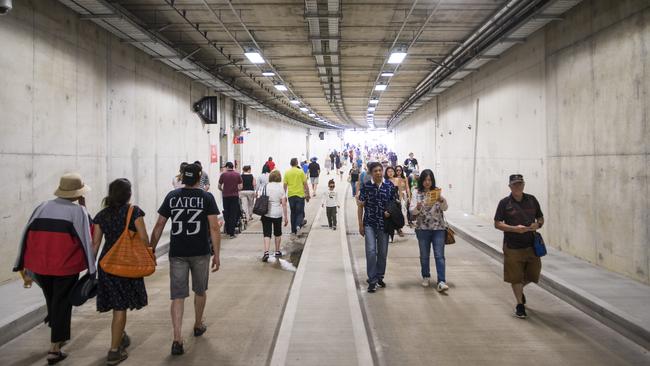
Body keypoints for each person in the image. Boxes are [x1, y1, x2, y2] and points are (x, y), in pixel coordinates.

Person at [13, 173, 95, 365]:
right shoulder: (78, 212)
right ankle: (54, 349)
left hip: (40, 266)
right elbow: (87, 239)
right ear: (77, 193)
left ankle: (57, 332)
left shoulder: (42, 206)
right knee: (62, 304)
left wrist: (21, 263)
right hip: (65, 267)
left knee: (53, 301)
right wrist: (92, 271)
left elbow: (26, 233)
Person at [150, 163, 221, 356]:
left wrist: (151, 250)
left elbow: (159, 225)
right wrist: (217, 254)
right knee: (200, 290)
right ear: (199, 178)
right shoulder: (207, 198)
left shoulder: (172, 197)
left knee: (178, 296)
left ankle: (177, 338)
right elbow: (214, 228)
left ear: (182, 178)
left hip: (178, 253)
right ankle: (198, 325)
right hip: (200, 252)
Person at [92, 179, 150, 365]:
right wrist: (148, 254)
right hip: (126, 264)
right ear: (128, 194)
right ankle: (114, 351)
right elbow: (143, 238)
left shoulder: (101, 215)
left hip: (106, 264)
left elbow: (95, 244)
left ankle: (120, 335)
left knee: (117, 304)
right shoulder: (134, 212)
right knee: (120, 307)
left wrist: (91, 267)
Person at [494, 174, 544, 319]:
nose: (518, 187)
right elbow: (497, 223)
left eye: (520, 184)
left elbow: (540, 217)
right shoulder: (504, 203)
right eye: (515, 185)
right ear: (510, 186)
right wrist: (514, 228)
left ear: (524, 185)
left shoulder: (532, 200)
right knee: (515, 278)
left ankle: (519, 289)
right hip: (512, 246)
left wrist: (538, 224)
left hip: (531, 244)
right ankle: (519, 304)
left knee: (533, 274)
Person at [357, 162, 396, 293]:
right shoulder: (366, 186)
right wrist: (360, 224)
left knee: (383, 252)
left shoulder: (389, 186)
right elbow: (360, 205)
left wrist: (390, 212)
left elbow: (394, 204)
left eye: (380, 170)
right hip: (369, 223)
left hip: (384, 225)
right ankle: (372, 280)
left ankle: (380, 276)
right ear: (371, 173)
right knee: (371, 251)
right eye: (375, 171)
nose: (378, 173)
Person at [409, 170, 449, 292]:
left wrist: (442, 200)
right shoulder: (416, 192)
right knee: (424, 255)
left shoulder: (437, 192)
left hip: (438, 228)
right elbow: (412, 211)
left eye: (429, 180)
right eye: (425, 180)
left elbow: (445, 208)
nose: (427, 182)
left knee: (439, 255)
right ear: (422, 180)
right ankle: (426, 276)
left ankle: (441, 281)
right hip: (422, 229)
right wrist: (418, 207)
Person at [260, 170, 288, 262]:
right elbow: (284, 204)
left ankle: (266, 252)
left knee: (267, 233)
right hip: (277, 213)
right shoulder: (281, 188)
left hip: (267, 212)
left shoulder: (266, 186)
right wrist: (286, 217)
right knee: (277, 233)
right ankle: (277, 251)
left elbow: (261, 197)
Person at [284, 158, 310, 240]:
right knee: (300, 212)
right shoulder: (300, 171)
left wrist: (284, 195)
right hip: (300, 195)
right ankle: (298, 226)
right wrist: (307, 194)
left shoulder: (287, 172)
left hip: (291, 196)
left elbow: (285, 185)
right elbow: (305, 184)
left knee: (293, 213)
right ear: (296, 163)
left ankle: (293, 231)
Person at [218, 162, 243, 238]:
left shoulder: (223, 175)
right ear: (232, 167)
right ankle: (232, 233)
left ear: (227, 167)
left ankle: (228, 230)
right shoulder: (237, 174)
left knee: (226, 212)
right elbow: (241, 187)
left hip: (225, 196)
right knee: (233, 214)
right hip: (234, 196)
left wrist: (223, 190)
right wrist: (236, 190)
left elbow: (219, 186)